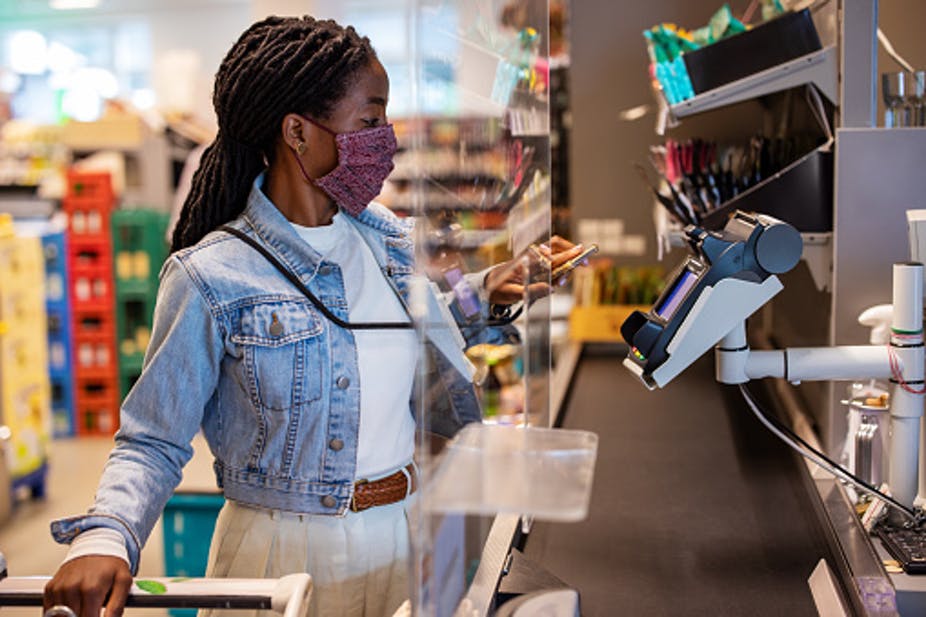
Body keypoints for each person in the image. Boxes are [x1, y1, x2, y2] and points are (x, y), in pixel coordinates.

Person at [43, 15, 584, 617]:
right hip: (285, 555)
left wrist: (494, 291)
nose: (388, 139)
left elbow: (394, 336)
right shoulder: (212, 275)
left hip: (406, 536)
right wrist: (104, 537)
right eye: (371, 119)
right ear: (297, 132)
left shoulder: (388, 244)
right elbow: (152, 438)